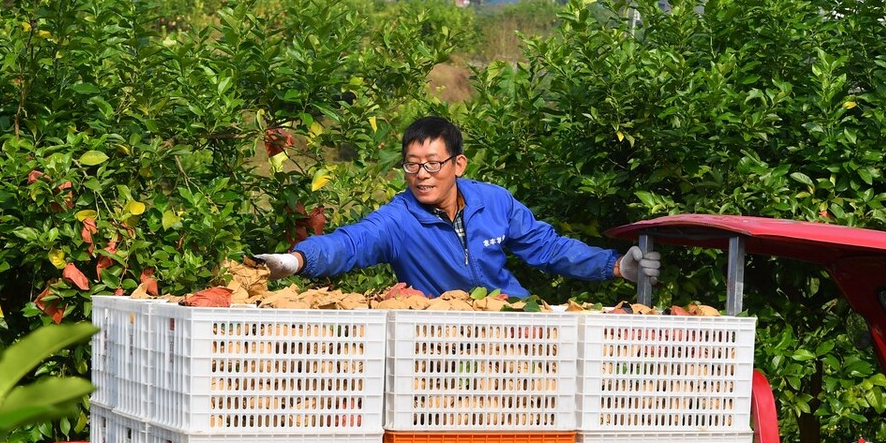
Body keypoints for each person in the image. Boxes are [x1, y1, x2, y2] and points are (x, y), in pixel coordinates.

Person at [253, 116, 660, 298]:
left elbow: (548, 248)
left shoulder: (494, 202)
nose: (422, 175)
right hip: (446, 341)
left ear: (458, 164)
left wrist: (614, 266)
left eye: (433, 164)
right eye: (412, 165)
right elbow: (351, 242)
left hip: (513, 322)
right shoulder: (399, 220)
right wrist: (298, 260)